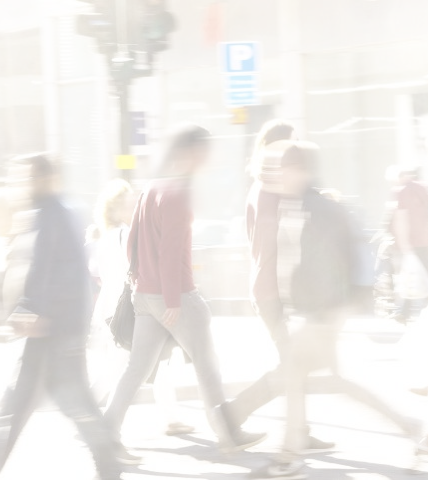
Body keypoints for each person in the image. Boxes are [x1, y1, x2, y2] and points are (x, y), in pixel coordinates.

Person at [247, 140, 423, 479]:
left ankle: (290, 454)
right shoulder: (304, 204)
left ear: (299, 171)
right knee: (334, 381)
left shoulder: (316, 208)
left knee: (295, 374)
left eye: (282, 168)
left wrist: (320, 311)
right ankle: (411, 427)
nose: (277, 175)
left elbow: (327, 264)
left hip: (322, 313)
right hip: (321, 312)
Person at [103, 124, 265, 452]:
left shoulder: (151, 188)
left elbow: (131, 241)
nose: (208, 158)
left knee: (137, 368)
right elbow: (170, 253)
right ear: (190, 153)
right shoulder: (177, 194)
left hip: (144, 295)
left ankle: (107, 429)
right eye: (204, 151)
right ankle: (228, 434)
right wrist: (173, 301)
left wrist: (140, 281)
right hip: (173, 295)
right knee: (207, 363)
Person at [0, 154, 135, 480]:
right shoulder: (45, 213)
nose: (22, 185)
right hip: (50, 331)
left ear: (44, 179)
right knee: (30, 404)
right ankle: (110, 467)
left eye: (27, 178)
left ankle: (110, 467)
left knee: (66, 405)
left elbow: (63, 275)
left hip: (56, 332)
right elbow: (37, 273)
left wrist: (39, 314)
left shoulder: (54, 215)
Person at [218, 119, 333, 453]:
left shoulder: (261, 187)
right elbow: (281, 243)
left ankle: (299, 431)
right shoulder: (271, 191)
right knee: (292, 366)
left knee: (295, 365)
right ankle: (231, 414)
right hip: (273, 290)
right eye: (292, 146)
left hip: (268, 286)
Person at [90, 178, 194, 435]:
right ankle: (87, 416)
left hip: (113, 309)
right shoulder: (126, 235)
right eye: (130, 205)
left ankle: (171, 418)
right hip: (129, 311)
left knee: (155, 361)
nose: (137, 208)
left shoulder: (105, 238)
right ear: (116, 211)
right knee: (127, 366)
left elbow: (97, 272)